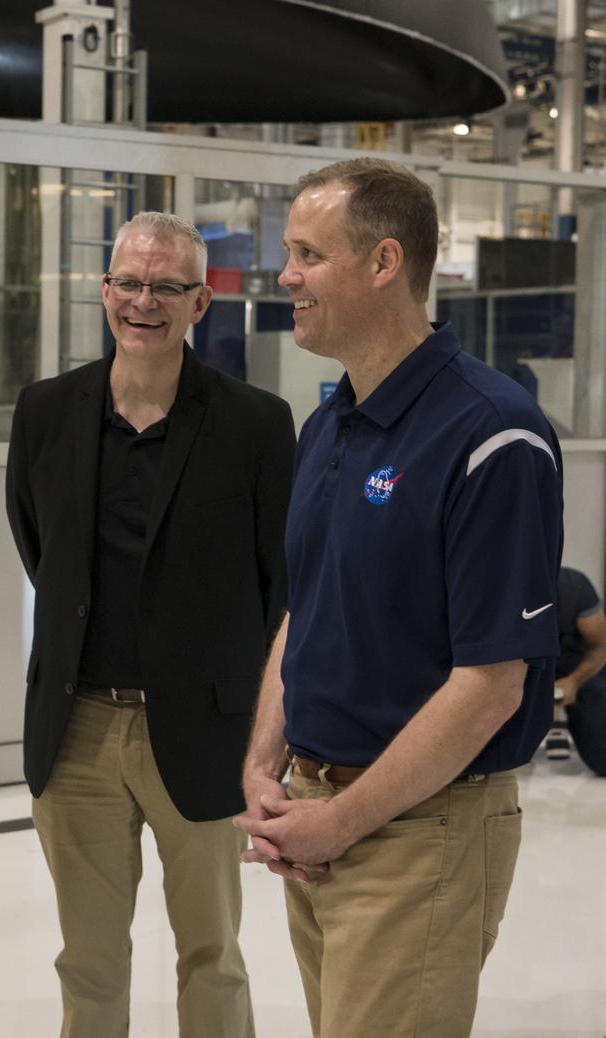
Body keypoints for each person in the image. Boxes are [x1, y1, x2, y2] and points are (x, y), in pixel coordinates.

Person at [235, 158, 562, 1038]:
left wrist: (341, 819)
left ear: (384, 263)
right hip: (315, 816)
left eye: (308, 254)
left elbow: (492, 684)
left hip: (420, 831)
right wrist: (266, 763)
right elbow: (305, 610)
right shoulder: (328, 423)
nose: (287, 277)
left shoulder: (493, 434)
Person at [6, 211, 295, 1037]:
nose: (144, 301)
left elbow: (284, 586)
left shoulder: (256, 424)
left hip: (207, 727)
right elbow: (39, 548)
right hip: (77, 730)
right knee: (88, 962)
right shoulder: (46, 412)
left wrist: (270, 735)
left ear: (201, 303)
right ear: (104, 292)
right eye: (129, 282)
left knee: (212, 954)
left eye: (167, 286)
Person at [551, 566, 606, 774]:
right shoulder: (504, 589)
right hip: (526, 669)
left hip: (581, 666)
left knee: (603, 760)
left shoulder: (574, 586)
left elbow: (600, 647)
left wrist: (574, 681)